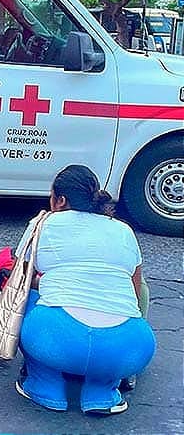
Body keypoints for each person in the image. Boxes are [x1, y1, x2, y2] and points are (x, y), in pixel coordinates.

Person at [16, 165, 156, 415]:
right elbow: (136, 291)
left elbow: (20, 281)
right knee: (128, 305)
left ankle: (45, 385)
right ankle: (102, 391)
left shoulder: (43, 225)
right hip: (129, 345)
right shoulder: (123, 230)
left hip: (57, 338)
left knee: (29, 299)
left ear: (60, 200)